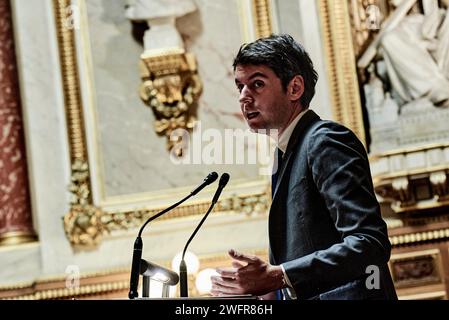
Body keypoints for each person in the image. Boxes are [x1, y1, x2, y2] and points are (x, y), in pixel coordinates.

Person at [210, 34, 397, 300]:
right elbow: (299, 260)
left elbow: (369, 244)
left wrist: (278, 276)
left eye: (257, 84)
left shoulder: (325, 140)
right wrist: (256, 292)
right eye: (240, 86)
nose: (244, 97)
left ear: (294, 88)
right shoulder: (284, 154)